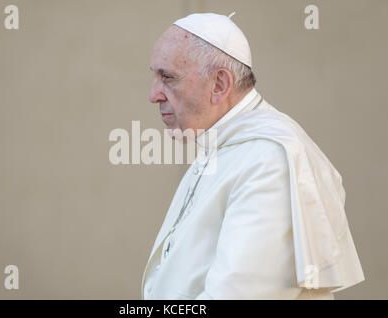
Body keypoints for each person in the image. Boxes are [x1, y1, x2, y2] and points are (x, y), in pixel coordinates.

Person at [142, 12, 364, 300]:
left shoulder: (270, 162)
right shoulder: (223, 143)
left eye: (168, 78)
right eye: (155, 76)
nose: (153, 95)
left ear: (219, 84)